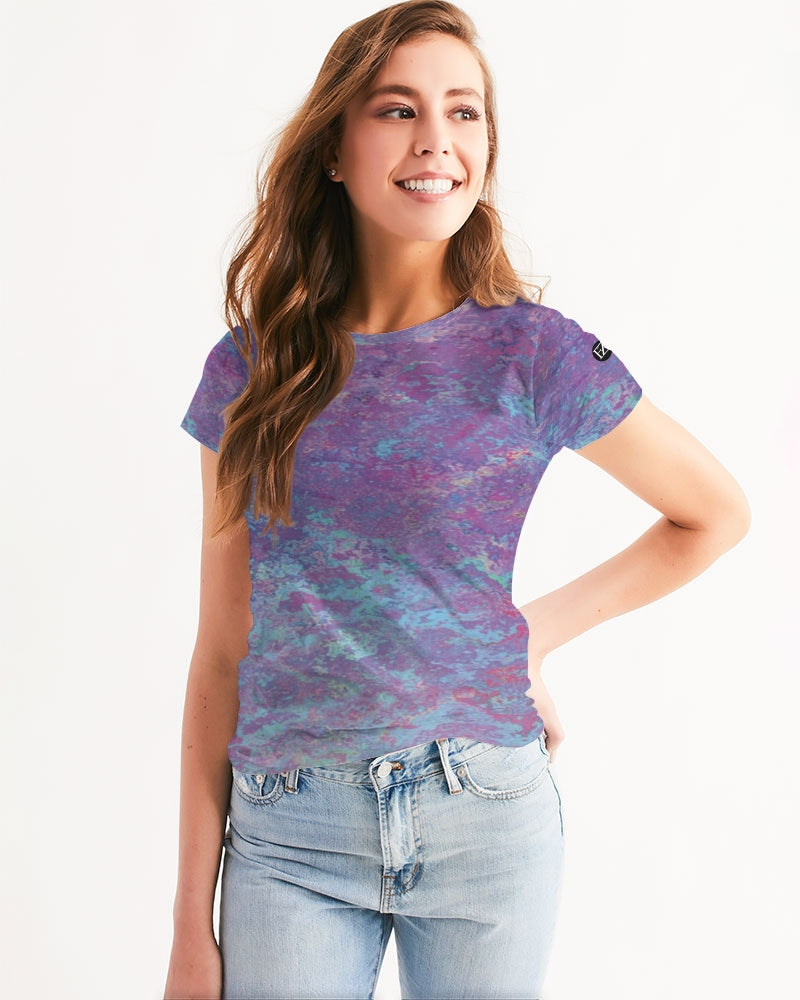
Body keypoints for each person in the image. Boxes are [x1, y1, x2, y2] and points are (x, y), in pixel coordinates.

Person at [163, 2, 751, 997]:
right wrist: (190, 924)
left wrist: (529, 634)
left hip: (483, 814)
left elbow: (713, 514)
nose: (436, 138)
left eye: (463, 111)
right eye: (398, 109)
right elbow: (222, 651)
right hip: (290, 836)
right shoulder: (251, 371)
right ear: (334, 151)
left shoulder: (535, 354)